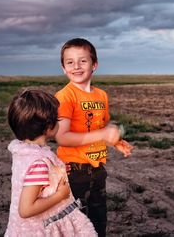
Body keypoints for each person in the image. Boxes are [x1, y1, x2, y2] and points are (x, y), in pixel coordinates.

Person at [55, 38, 133, 236]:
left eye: (83, 60)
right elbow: (62, 137)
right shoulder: (65, 97)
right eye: (70, 62)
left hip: (97, 170)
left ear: (94, 64)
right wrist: (103, 134)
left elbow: (102, 126)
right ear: (64, 68)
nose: (76, 66)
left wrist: (116, 141)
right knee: (75, 224)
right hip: (74, 172)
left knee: (98, 222)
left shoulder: (101, 95)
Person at [5, 89, 97, 236]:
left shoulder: (23, 152)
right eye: (58, 119)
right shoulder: (39, 163)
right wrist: (60, 195)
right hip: (38, 230)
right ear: (49, 127)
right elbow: (26, 209)